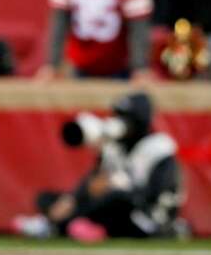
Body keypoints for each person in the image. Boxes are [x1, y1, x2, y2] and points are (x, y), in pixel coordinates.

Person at [18, 91, 184, 240]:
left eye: (125, 118)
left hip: (147, 216)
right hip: (108, 210)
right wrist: (73, 198)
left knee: (116, 198)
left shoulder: (159, 147)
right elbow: (94, 181)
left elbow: (156, 193)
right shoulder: (112, 146)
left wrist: (119, 186)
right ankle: (73, 223)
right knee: (46, 198)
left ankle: (55, 226)